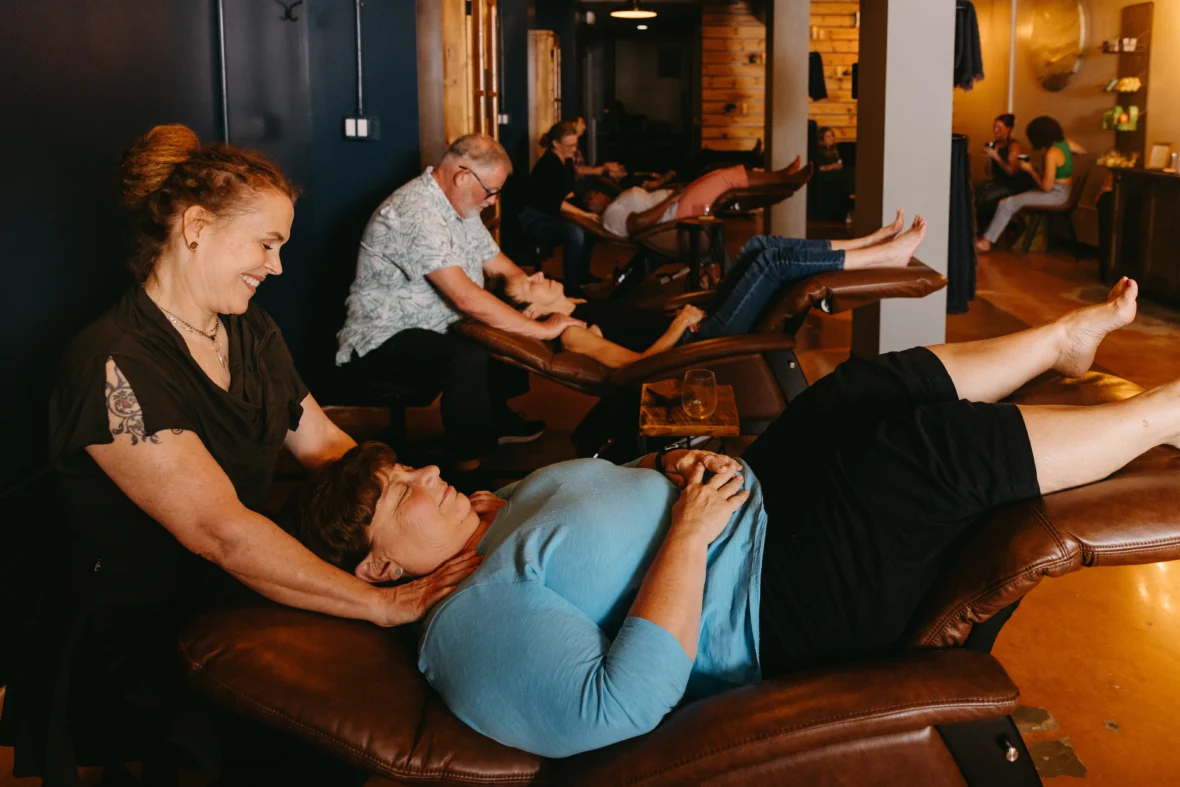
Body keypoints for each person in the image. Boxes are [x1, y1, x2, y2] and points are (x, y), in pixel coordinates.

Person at [299, 276, 1162, 759]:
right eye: (402, 493)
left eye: (408, 465)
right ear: (379, 567)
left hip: (743, 510)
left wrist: (669, 468)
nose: (427, 474)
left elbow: (610, 494)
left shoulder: (489, 515)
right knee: (922, 449)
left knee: (860, 388)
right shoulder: (467, 623)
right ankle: (1164, 415)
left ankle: (1058, 343)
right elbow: (619, 705)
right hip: (773, 605)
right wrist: (687, 529)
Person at [0, 125, 483, 780]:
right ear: (196, 228)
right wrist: (381, 603)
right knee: (309, 747)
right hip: (139, 631)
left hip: (233, 591)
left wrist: (421, 512)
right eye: (266, 243)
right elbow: (220, 530)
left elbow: (325, 445)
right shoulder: (111, 365)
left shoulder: (249, 330)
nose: (275, 266)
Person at [337, 134, 585, 478]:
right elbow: (465, 297)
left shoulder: (463, 208)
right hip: (383, 338)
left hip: (439, 324)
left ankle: (495, 418)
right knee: (466, 353)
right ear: (463, 176)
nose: (493, 200)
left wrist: (533, 297)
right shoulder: (414, 211)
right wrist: (541, 328)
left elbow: (501, 266)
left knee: (502, 316)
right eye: (491, 191)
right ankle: (468, 469)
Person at [488, 212, 926, 369]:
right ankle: (884, 254)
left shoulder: (577, 304)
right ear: (531, 313)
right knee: (773, 263)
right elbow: (634, 366)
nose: (540, 275)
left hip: (695, 324)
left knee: (758, 246)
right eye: (532, 284)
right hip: (698, 339)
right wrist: (679, 323)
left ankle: (867, 243)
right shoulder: (572, 332)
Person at [588, 155, 804, 239]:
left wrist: (672, 190)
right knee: (724, 178)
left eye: (596, 191)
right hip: (676, 213)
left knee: (724, 189)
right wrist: (671, 199)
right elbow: (640, 223)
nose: (598, 194)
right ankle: (782, 178)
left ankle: (779, 188)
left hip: (677, 204)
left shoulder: (615, 203)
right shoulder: (610, 215)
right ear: (590, 208)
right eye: (592, 197)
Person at [519, 121, 604, 297]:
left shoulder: (566, 161)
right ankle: (571, 285)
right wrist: (584, 214)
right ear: (556, 144)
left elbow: (566, 193)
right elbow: (556, 202)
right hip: (535, 218)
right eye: (569, 146)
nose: (574, 149)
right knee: (575, 233)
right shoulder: (548, 165)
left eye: (575, 145)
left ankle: (582, 274)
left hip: (553, 213)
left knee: (590, 228)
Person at [977, 116, 1085, 253]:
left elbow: (1046, 187)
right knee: (1000, 197)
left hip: (1056, 194)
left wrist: (1030, 170)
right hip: (1065, 190)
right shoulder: (1066, 143)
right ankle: (986, 238)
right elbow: (1083, 152)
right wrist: (1066, 162)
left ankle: (986, 242)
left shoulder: (1051, 154)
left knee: (1006, 203)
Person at [976, 113, 1036, 228]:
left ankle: (984, 230)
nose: (995, 130)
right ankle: (976, 228)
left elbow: (1012, 172)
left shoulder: (1014, 146)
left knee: (988, 197)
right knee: (977, 191)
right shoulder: (995, 145)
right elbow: (989, 173)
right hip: (999, 182)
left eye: (999, 127)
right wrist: (989, 160)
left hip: (1013, 184)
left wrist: (997, 157)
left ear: (1008, 129)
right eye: (994, 127)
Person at [812, 126, 853, 222]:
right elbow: (819, 168)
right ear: (821, 139)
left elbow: (840, 164)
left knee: (848, 173)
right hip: (824, 176)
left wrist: (836, 166)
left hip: (835, 174)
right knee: (845, 175)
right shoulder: (817, 152)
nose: (831, 139)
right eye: (828, 136)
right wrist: (831, 167)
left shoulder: (835, 151)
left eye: (832, 136)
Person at [570, 116, 625, 180]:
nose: (584, 127)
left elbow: (581, 168)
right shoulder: (570, 146)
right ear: (574, 124)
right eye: (582, 123)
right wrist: (604, 169)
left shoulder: (577, 145)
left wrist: (605, 167)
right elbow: (577, 170)